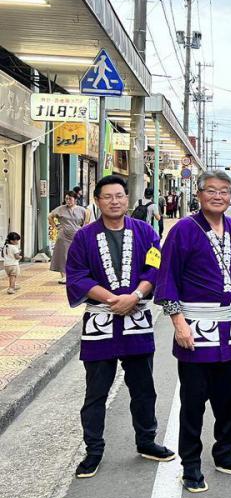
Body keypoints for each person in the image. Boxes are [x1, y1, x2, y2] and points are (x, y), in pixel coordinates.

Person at [65, 175, 174, 479]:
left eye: (119, 196)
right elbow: (77, 276)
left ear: (127, 199)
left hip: (136, 319)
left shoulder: (145, 232)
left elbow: (155, 267)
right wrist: (114, 299)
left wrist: (135, 296)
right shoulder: (84, 237)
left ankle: (146, 441)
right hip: (101, 319)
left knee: (144, 387)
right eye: (107, 196)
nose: (114, 201)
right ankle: (93, 450)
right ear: (97, 201)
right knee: (96, 391)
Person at [155, 170, 231, 493]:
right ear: (198, 194)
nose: (218, 196)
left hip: (230, 331)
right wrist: (178, 322)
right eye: (211, 190)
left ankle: (224, 453)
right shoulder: (183, 230)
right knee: (193, 402)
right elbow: (168, 277)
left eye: (224, 191)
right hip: (195, 330)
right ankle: (191, 465)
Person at [49, 191, 87, 284]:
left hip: (77, 235)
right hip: (63, 235)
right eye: (66, 199)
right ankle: (64, 276)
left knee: (78, 255)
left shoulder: (82, 210)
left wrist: (83, 229)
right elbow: (50, 217)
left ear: (75, 199)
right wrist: (56, 227)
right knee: (63, 256)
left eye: (70, 199)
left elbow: (86, 221)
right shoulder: (61, 209)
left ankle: (77, 274)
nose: (68, 201)